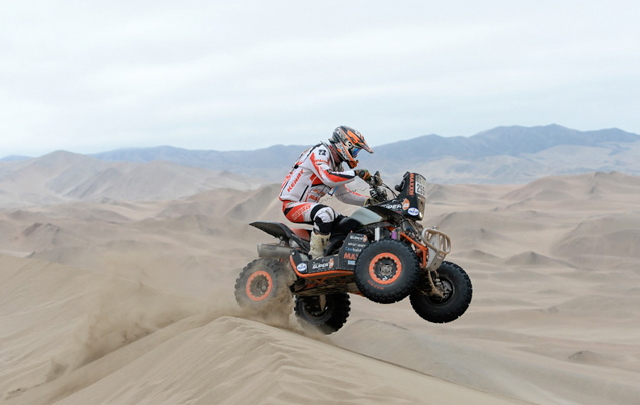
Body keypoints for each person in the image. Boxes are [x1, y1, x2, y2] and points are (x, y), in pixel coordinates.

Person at [279, 126, 374, 260]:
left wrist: (369, 201)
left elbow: (344, 195)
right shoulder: (320, 152)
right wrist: (356, 173)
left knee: (348, 223)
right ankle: (316, 258)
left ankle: (336, 255)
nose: (355, 155)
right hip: (292, 205)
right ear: (345, 145)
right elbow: (328, 177)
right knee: (326, 214)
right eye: (355, 150)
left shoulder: (337, 166)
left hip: (309, 207)